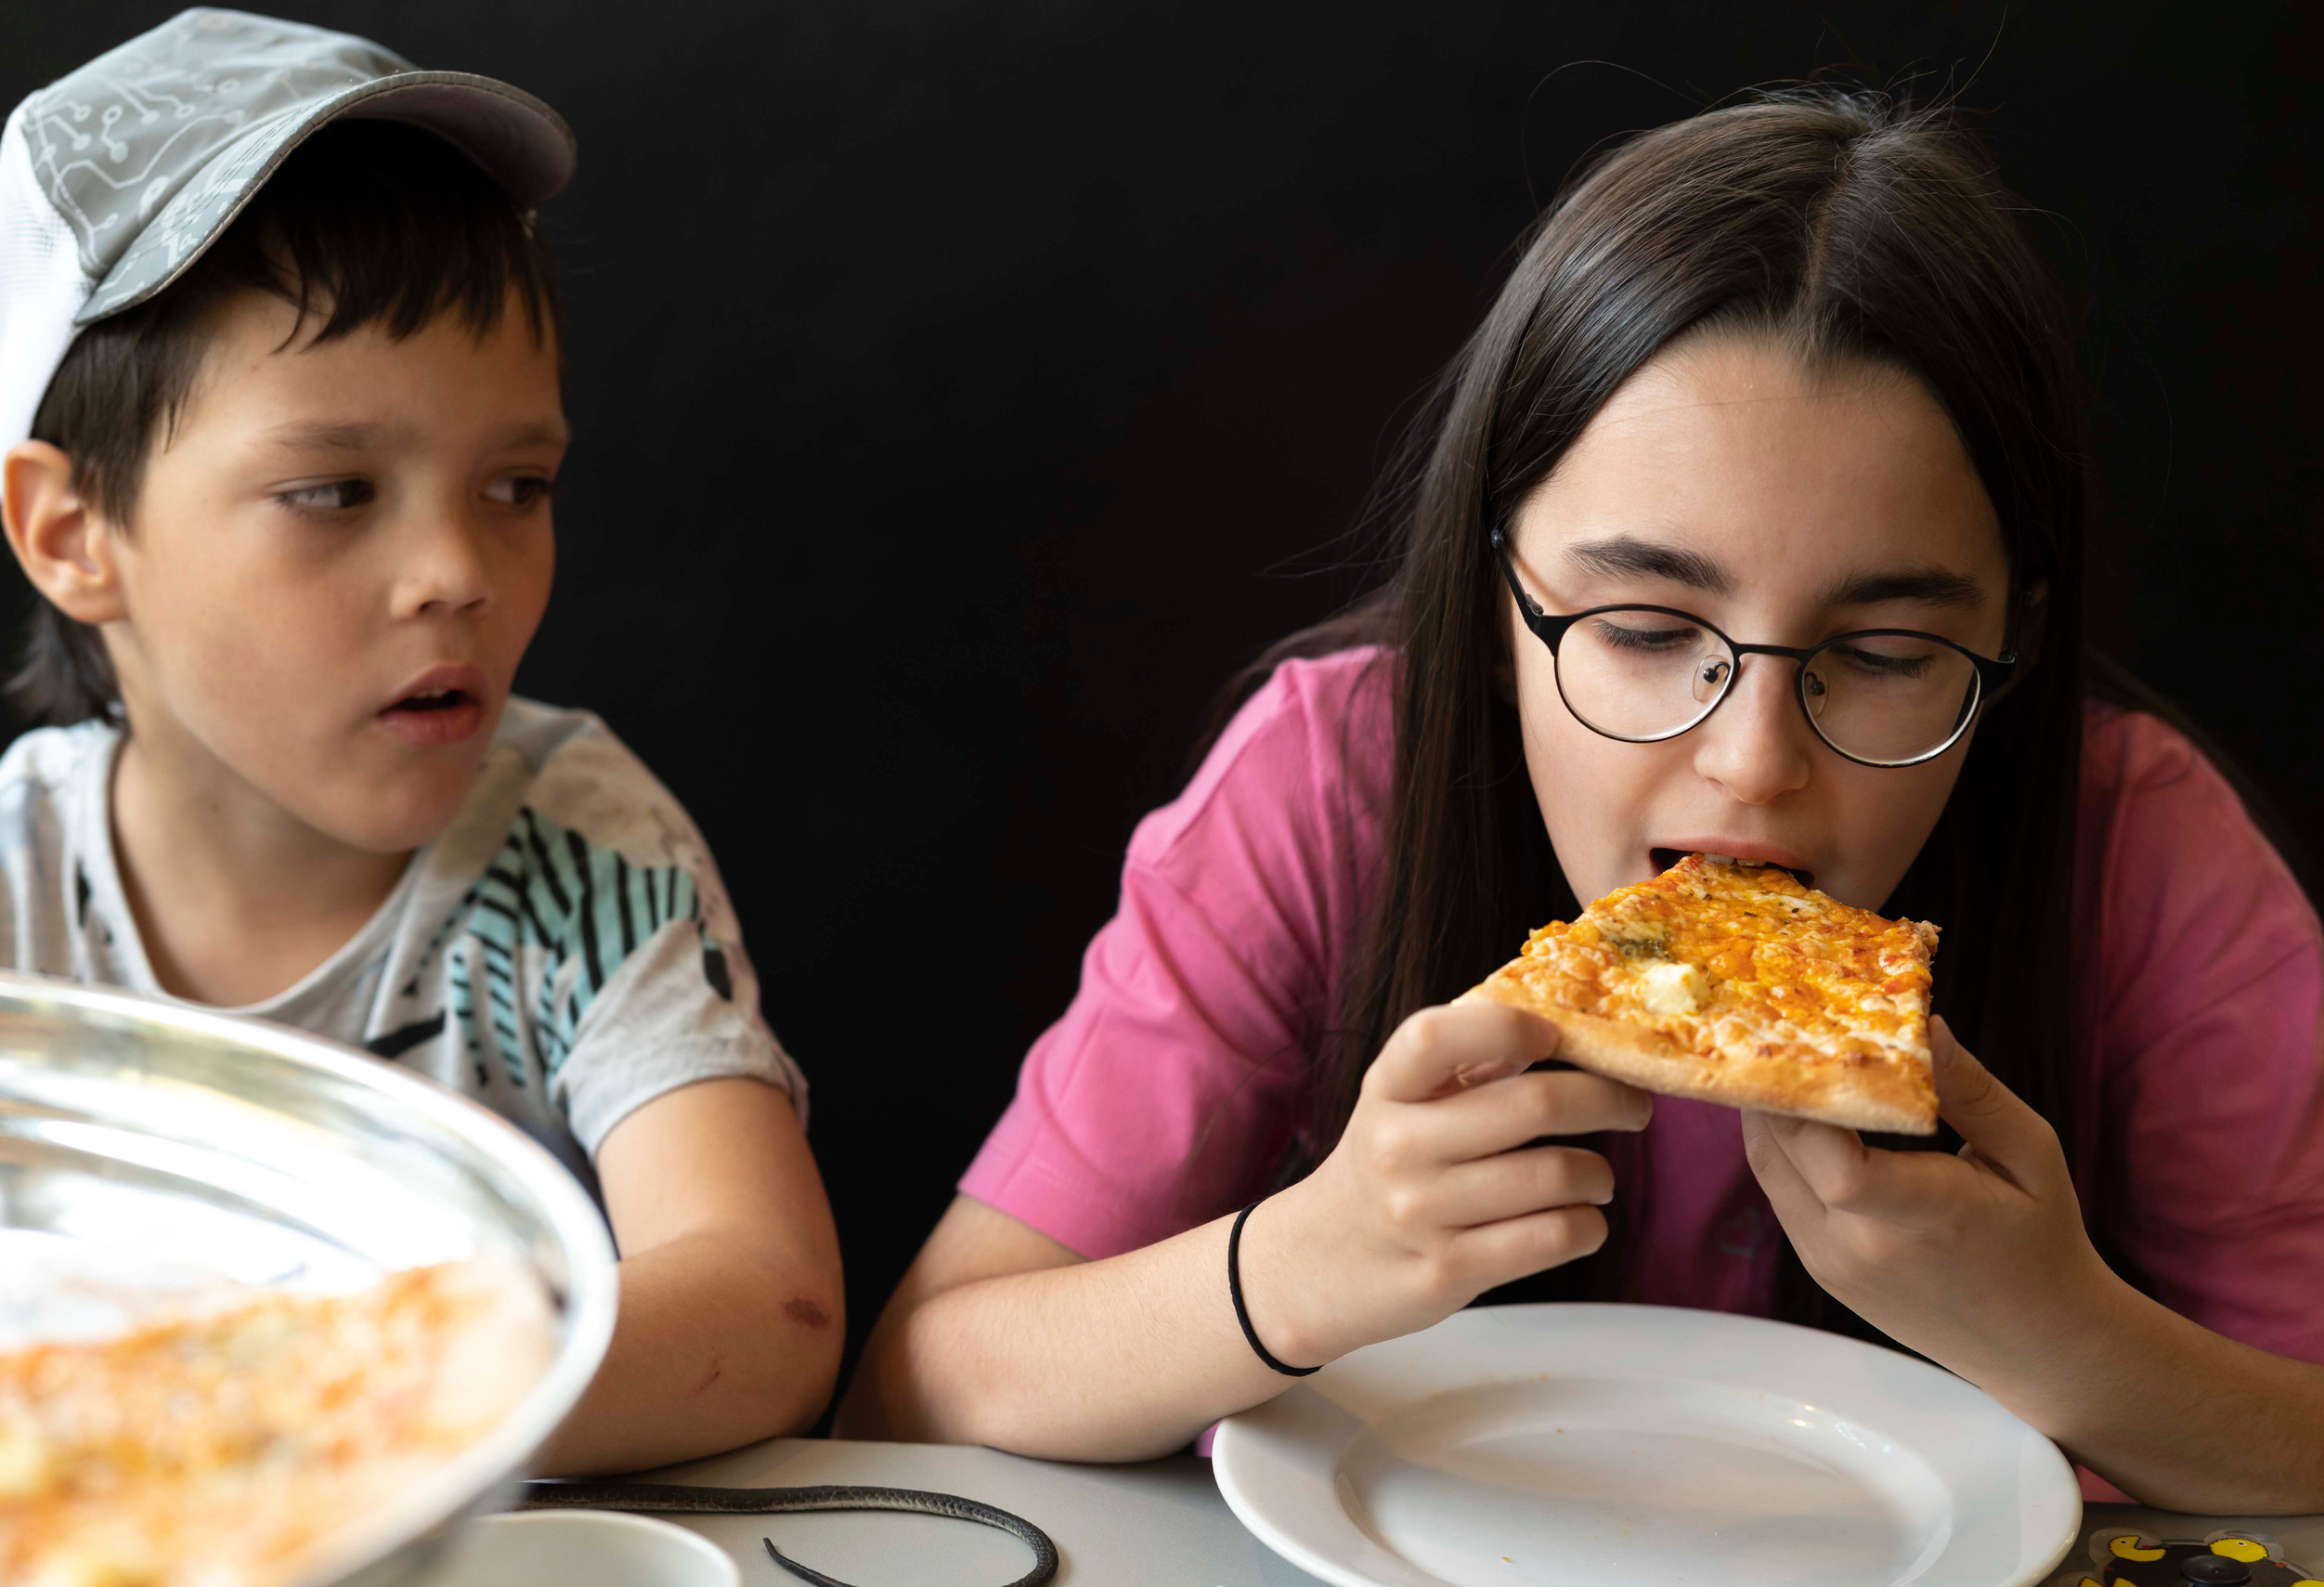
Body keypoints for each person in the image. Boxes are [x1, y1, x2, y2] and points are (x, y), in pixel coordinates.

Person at [839, 88, 2324, 1510]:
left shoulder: (2148, 853)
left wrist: (2063, 1330)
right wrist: (1303, 1260)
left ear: (2014, 643)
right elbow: (914, 1388)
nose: (1751, 758)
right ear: (1496, 607)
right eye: (1641, 631)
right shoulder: (1325, 783)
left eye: (1882, 654)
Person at [0, 10, 840, 1472]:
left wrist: (279, 1401)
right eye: (335, 490)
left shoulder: (577, 854)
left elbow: (770, 1305)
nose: (458, 570)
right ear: (74, 532)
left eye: (517, 481)